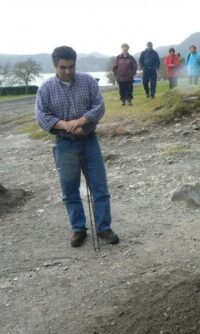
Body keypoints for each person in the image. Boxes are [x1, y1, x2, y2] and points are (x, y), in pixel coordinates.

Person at [35, 46, 119, 248]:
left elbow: (99, 106)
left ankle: (103, 227)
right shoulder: (45, 88)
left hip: (89, 142)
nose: (67, 71)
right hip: (64, 145)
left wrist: (81, 121)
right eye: (62, 67)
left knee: (100, 187)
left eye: (71, 66)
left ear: (75, 63)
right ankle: (78, 228)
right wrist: (68, 125)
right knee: (70, 190)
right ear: (55, 65)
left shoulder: (88, 81)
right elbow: (42, 116)